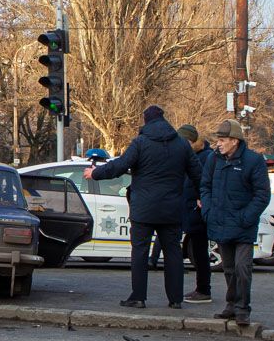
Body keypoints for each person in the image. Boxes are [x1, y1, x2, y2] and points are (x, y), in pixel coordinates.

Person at [85, 105, 201, 309]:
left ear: (146, 121)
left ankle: (138, 297)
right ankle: (175, 300)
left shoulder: (140, 143)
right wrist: (201, 196)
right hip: (172, 209)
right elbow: (198, 174)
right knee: (173, 253)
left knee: (139, 252)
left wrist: (95, 173)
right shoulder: (182, 145)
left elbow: (120, 166)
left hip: (144, 208)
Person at [200, 119, 270, 326]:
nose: (218, 144)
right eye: (218, 140)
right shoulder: (214, 160)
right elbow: (205, 186)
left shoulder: (253, 161)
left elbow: (262, 195)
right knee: (228, 267)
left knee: (242, 267)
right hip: (220, 222)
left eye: (222, 140)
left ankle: (242, 309)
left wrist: (246, 217)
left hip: (243, 225)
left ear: (235, 141)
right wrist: (209, 211)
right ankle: (231, 305)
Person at [178, 124, 213, 304]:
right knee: (196, 250)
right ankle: (201, 288)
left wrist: (202, 199)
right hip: (191, 209)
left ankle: (203, 289)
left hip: (197, 211)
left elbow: (204, 182)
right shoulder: (193, 155)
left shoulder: (205, 157)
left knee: (199, 251)